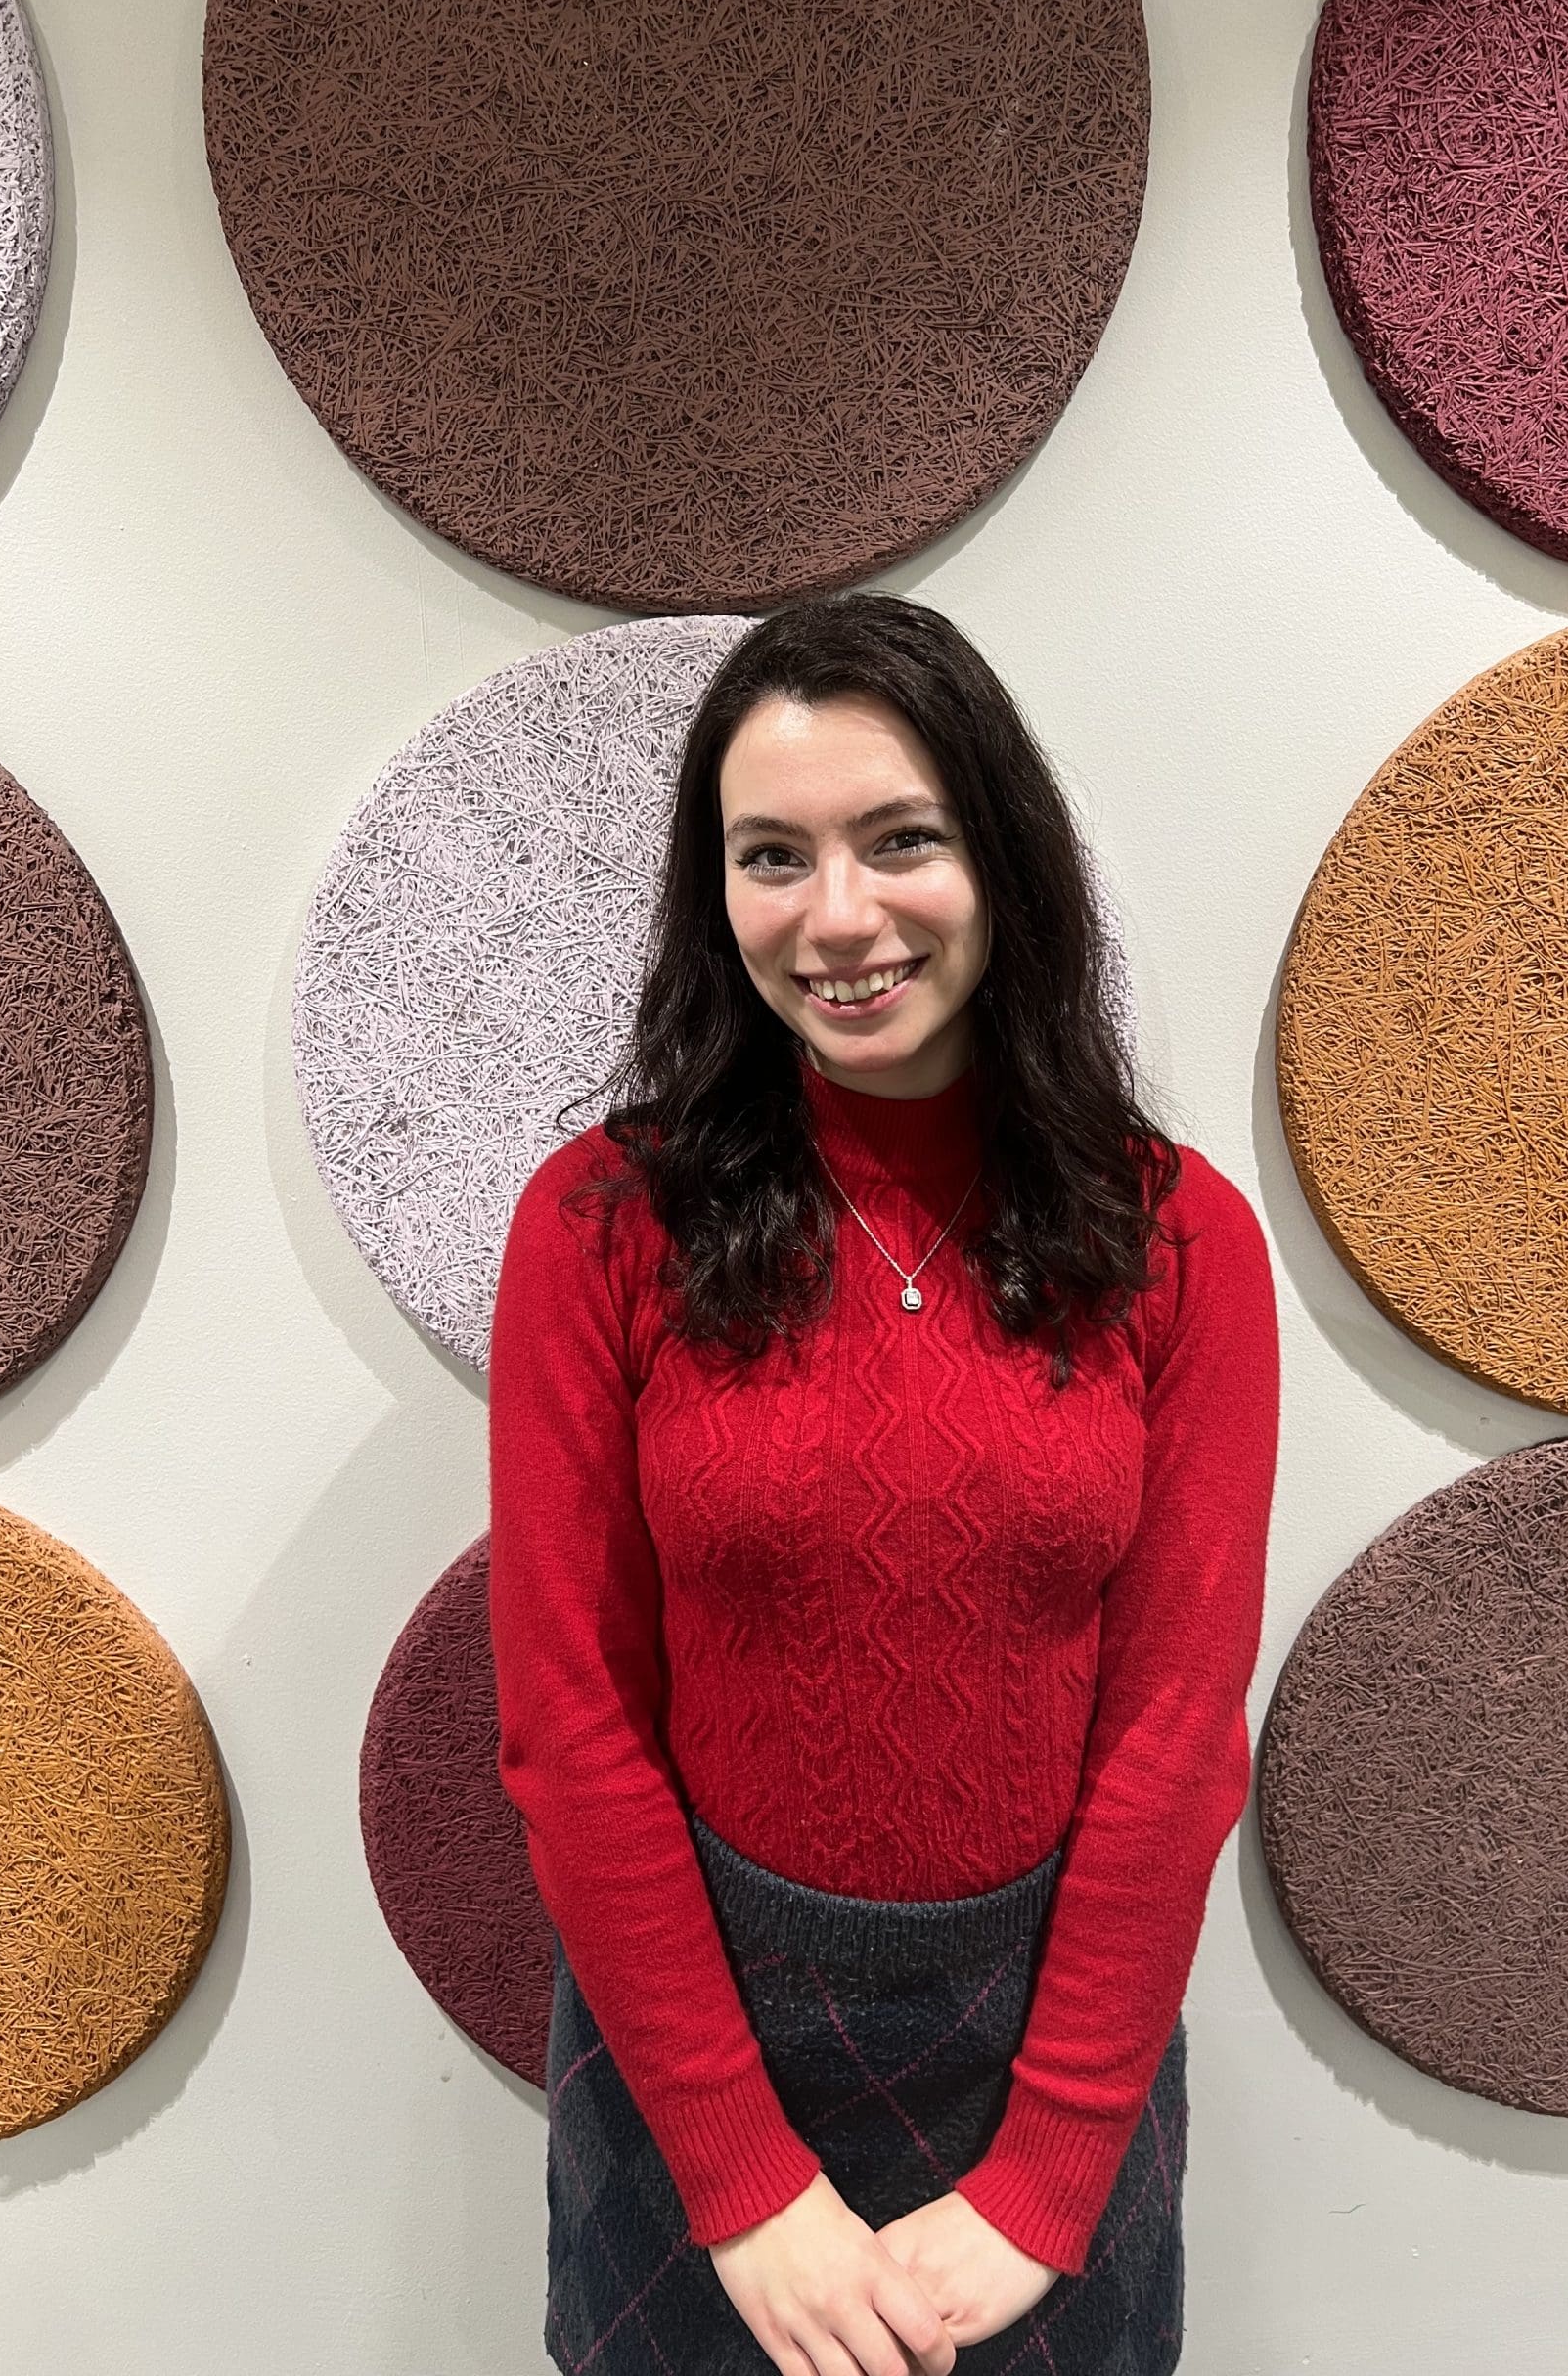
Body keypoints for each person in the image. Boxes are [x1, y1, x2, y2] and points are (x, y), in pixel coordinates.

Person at [486, 591, 1280, 2376]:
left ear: (1002, 857)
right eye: (772, 857)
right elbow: (569, 1722)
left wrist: (1049, 2178)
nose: (837, 917)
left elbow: (1174, 1734)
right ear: (716, 896)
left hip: (1048, 2061)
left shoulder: (1180, 1244)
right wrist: (741, 2180)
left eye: (900, 839)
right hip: (692, 2054)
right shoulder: (600, 1227)